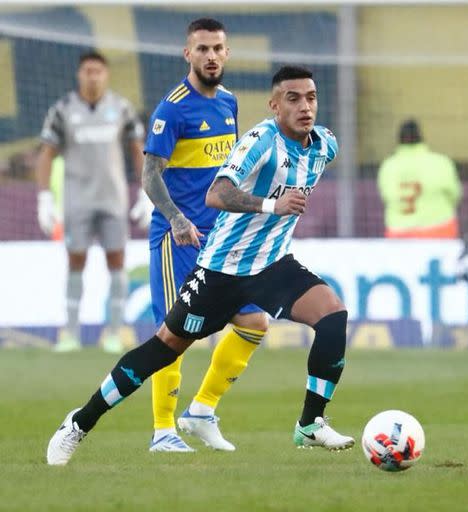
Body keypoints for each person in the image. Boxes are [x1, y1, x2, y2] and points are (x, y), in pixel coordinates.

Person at [47, 64, 355, 466]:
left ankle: (310, 423)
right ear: (274, 105)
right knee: (163, 349)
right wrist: (270, 204)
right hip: (221, 270)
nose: (304, 106)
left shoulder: (325, 146)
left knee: (333, 315)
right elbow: (217, 193)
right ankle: (79, 423)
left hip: (271, 265)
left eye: (311, 98)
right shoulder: (260, 141)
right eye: (293, 99)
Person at [141, 18, 270, 453]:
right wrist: (177, 218)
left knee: (254, 321)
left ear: (227, 53)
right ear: (188, 55)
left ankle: (201, 411)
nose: (211, 56)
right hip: (175, 240)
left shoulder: (229, 103)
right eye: (202, 49)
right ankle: (163, 431)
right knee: (171, 333)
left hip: (220, 239)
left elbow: (225, 174)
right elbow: (149, 174)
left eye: (217, 48)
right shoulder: (172, 108)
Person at [36, 51, 148, 354]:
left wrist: (146, 190)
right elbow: (46, 153)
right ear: (79, 74)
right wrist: (44, 196)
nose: (93, 76)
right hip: (77, 201)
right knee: (75, 263)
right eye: (88, 71)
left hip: (113, 200)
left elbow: (138, 149)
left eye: (98, 71)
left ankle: (113, 333)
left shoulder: (121, 108)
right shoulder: (62, 110)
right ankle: (70, 333)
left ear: (106, 74)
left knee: (117, 263)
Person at [377, 119, 462, 238]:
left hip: (399, 233)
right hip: (438, 231)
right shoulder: (440, 162)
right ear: (421, 138)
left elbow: (386, 197)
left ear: (399, 140)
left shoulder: (388, 166)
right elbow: (455, 195)